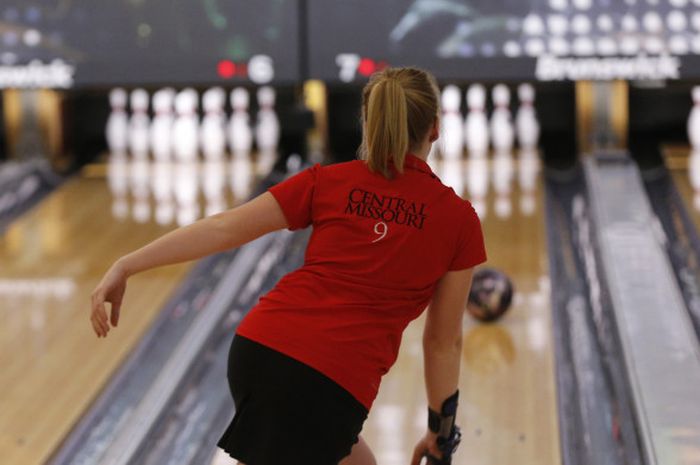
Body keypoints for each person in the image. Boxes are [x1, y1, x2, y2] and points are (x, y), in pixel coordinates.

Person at [90, 67, 486, 465]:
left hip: (260, 348)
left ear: (369, 122)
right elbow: (442, 342)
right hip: (326, 380)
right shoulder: (459, 220)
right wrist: (441, 430)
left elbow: (224, 227)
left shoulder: (327, 181)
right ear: (436, 127)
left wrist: (128, 263)